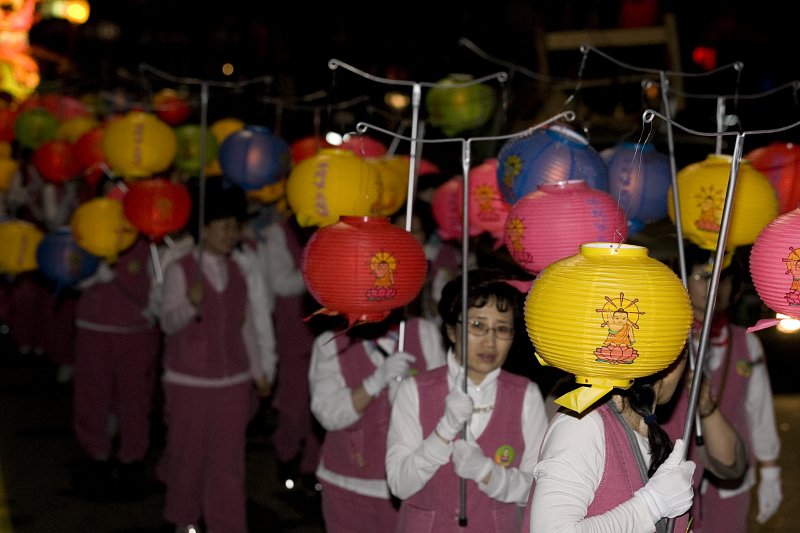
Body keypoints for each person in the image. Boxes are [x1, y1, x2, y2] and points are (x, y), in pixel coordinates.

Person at [525, 326, 747, 532]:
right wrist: (651, 505)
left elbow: (732, 465)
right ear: (671, 359)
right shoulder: (583, 422)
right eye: (685, 350)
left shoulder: (646, 424)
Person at [385, 268, 549, 532]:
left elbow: (538, 489)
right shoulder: (415, 391)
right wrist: (443, 433)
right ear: (451, 331)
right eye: (477, 325)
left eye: (502, 329)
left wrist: (487, 473)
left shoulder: (525, 394)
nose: (490, 341)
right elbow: (399, 484)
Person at [157, 177, 276, 533]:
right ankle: (184, 519)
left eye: (234, 228)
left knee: (229, 463)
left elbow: (247, 328)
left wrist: (258, 372)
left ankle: (227, 524)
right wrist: (189, 306)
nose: (231, 234)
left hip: (233, 383)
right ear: (204, 229)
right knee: (188, 457)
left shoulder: (239, 270)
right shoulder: (180, 269)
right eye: (223, 227)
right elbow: (167, 323)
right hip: (189, 382)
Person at [660, 241, 782, 532]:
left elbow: (759, 411)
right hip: (671, 477)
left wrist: (771, 472)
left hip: (729, 477)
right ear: (683, 280)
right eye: (702, 276)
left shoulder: (746, 342)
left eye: (722, 278)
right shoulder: (666, 340)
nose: (713, 286)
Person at [308, 307, 447, 533]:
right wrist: (374, 383)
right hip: (348, 485)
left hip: (409, 484)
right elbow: (328, 414)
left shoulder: (423, 332)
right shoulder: (330, 343)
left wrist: (409, 398)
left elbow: (442, 406)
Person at [70, 232, 161, 501]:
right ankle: (97, 455)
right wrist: (88, 275)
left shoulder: (148, 240)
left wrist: (154, 308)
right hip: (93, 326)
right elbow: (67, 270)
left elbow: (161, 279)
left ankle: (132, 458)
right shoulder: (87, 232)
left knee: (134, 396)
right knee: (92, 394)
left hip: (135, 329)